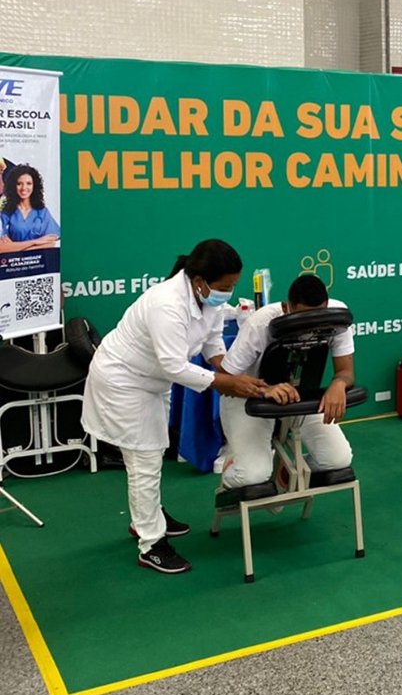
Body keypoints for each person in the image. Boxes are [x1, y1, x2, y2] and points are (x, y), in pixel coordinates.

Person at [80, 240, 270, 574]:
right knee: (145, 459)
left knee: (152, 452)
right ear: (200, 280)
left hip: (151, 381)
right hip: (124, 380)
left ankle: (147, 516)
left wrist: (232, 374)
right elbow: (173, 366)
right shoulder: (167, 303)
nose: (228, 293)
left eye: (233, 286)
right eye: (225, 287)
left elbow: (212, 343)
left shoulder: (205, 297)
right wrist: (228, 384)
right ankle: (150, 543)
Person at [215, 274, 355, 502]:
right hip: (248, 399)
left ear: (326, 305)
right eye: (302, 316)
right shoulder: (259, 323)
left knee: (338, 459)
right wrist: (264, 389)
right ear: (288, 307)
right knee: (254, 475)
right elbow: (225, 381)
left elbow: (345, 371)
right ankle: (233, 466)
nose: (311, 322)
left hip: (299, 395)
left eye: (317, 314)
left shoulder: (337, 316)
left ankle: (284, 474)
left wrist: (338, 384)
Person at [0, 164, 60, 249]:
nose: (24, 188)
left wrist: (17, 248)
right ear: (13, 186)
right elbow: (2, 247)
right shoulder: (6, 214)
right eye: (19, 183)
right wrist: (36, 242)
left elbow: (52, 243)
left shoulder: (42, 212)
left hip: (40, 260)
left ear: (34, 186)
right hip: (16, 261)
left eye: (29, 183)